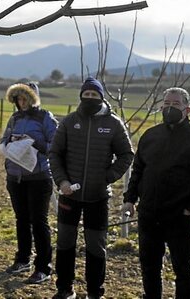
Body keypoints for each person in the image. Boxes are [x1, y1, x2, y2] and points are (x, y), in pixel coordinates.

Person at [123, 87, 190, 299]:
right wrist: (130, 199)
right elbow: (138, 169)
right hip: (149, 214)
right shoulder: (150, 135)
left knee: (183, 269)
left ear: (187, 109)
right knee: (149, 267)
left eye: (175, 104)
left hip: (180, 217)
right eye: (166, 103)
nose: (169, 108)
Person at [48, 77, 133, 299]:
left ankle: (95, 292)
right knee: (65, 243)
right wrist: (62, 182)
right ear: (81, 97)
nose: (89, 98)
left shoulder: (113, 124)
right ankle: (64, 289)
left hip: (98, 197)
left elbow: (126, 154)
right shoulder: (68, 122)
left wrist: (107, 177)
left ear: (101, 98)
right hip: (69, 196)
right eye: (86, 95)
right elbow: (54, 154)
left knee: (96, 247)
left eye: (94, 95)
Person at [0, 82, 58, 285]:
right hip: (15, 176)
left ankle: (43, 267)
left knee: (39, 222)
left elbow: (55, 145)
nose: (21, 103)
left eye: (25, 99)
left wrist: (34, 142)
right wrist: (12, 142)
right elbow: (4, 139)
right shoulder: (14, 118)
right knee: (21, 220)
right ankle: (22, 259)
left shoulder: (45, 118)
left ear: (33, 99)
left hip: (39, 177)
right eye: (18, 99)